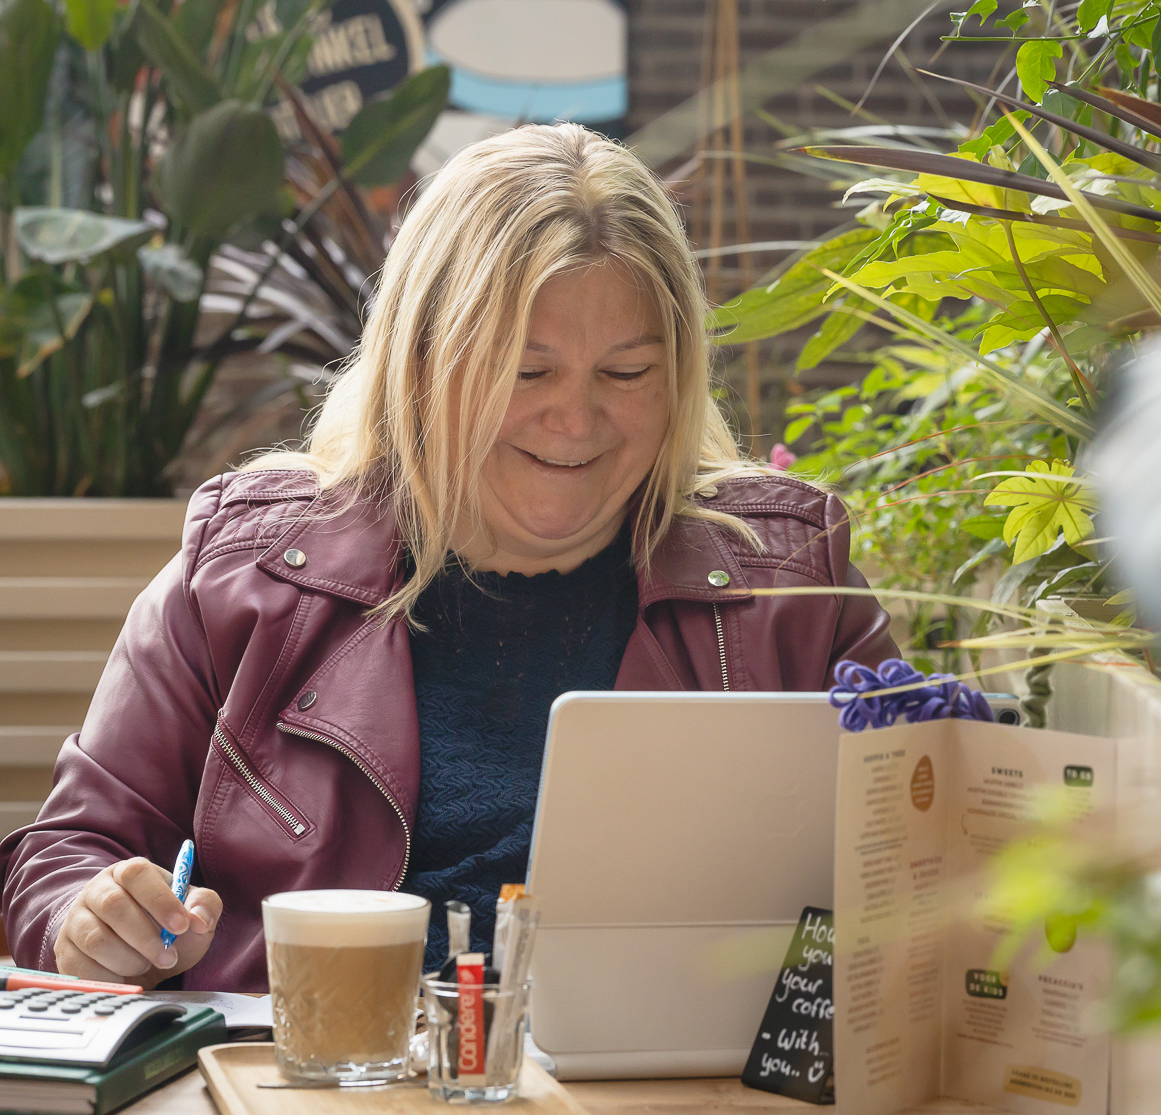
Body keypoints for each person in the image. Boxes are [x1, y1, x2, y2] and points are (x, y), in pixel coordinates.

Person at [0, 125, 898, 991]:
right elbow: (67, 854)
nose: (576, 421)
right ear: (421, 361)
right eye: (526, 371)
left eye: (625, 374)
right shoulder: (243, 570)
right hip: (303, 1089)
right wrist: (91, 917)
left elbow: (927, 864)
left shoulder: (795, 582)